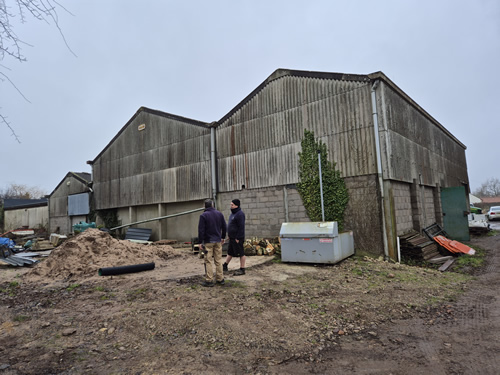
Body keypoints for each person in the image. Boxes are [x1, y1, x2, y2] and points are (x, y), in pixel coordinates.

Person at [198, 199, 227, 287]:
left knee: (208, 260)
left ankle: (209, 280)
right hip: (218, 241)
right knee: (218, 260)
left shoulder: (203, 215)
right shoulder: (219, 214)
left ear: (205, 206)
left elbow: (201, 230)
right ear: (212, 205)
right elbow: (224, 226)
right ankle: (220, 279)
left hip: (208, 242)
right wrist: (222, 237)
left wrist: (200, 242)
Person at [223, 199, 246, 276]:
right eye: (230, 204)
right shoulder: (232, 214)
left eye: (232, 205)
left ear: (236, 205)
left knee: (241, 253)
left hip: (237, 238)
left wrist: (238, 237)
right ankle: (225, 265)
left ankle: (242, 269)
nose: (231, 206)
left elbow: (241, 227)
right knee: (230, 252)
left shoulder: (240, 214)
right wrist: (229, 235)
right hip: (232, 237)